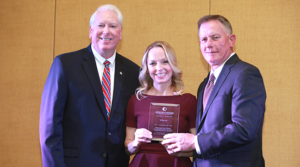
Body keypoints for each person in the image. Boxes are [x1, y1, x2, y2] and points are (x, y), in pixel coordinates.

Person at [39, 4, 140, 167]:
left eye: (113, 26)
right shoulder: (65, 65)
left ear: (120, 33)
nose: (106, 31)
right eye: (101, 25)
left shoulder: (134, 72)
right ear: (91, 31)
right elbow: (50, 127)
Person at [162, 15, 266, 167]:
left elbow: (244, 129)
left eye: (215, 37)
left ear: (231, 40)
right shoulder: (204, 84)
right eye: (204, 39)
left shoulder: (245, 73)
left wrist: (194, 141)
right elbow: (205, 135)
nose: (208, 44)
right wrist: (183, 145)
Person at [124, 41, 197, 167]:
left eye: (165, 61)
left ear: (172, 64)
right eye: (152, 63)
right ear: (147, 68)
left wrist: (180, 151)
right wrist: (136, 142)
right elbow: (128, 147)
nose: (159, 68)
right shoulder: (136, 100)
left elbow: (197, 145)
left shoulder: (189, 101)